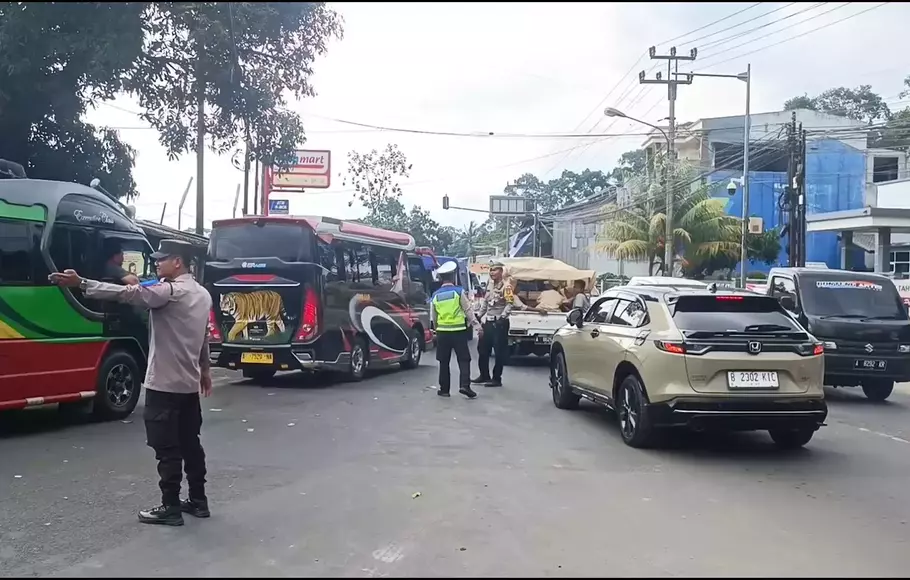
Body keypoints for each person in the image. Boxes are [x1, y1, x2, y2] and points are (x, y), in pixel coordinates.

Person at [49, 239, 213, 527]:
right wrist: (205, 370)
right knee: (190, 444)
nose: (157, 263)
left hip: (163, 385)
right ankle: (198, 501)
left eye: (162, 259)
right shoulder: (202, 294)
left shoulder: (168, 292)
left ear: (178, 262)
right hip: (188, 386)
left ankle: (170, 507)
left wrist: (81, 282)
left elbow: (127, 294)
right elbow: (203, 337)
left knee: (166, 448)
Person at [431, 261, 480, 399]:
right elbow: (468, 310)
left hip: (442, 332)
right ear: (453, 277)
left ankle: (444, 390)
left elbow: (434, 317)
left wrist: (436, 330)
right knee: (464, 359)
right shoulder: (458, 291)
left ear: (440, 278)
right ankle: (465, 385)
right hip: (458, 331)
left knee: (443, 361)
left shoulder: (435, 295)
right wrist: (477, 326)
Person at [472, 261, 514, 388]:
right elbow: (485, 302)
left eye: (495, 270)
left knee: (499, 351)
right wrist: (479, 315)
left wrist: (503, 317)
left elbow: (510, 303)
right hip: (488, 322)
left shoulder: (507, 287)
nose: (492, 273)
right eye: (491, 270)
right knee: (482, 349)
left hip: (500, 322)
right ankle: (484, 375)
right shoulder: (489, 285)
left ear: (501, 271)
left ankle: (497, 378)